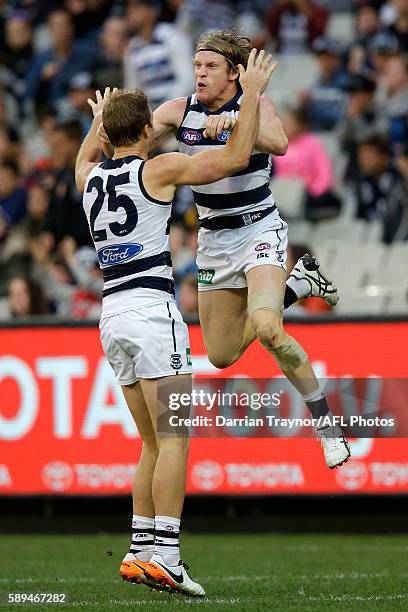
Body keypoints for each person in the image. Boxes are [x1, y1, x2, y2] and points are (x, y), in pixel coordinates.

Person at [75, 51, 276, 596]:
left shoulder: (89, 178)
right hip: (152, 311)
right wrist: (252, 93)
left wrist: (98, 122)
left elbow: (86, 154)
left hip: (111, 315)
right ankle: (167, 550)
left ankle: (141, 550)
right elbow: (233, 160)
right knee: (176, 439)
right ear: (145, 130)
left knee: (149, 441)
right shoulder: (155, 169)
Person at [140, 30, 349, 470]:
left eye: (211, 67)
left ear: (235, 73)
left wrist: (241, 115)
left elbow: (280, 144)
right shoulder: (178, 113)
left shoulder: (255, 104)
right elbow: (134, 140)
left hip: (258, 231)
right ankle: (301, 283)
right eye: (197, 65)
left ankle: (327, 427)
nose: (200, 73)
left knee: (269, 329)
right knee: (220, 354)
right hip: (214, 242)